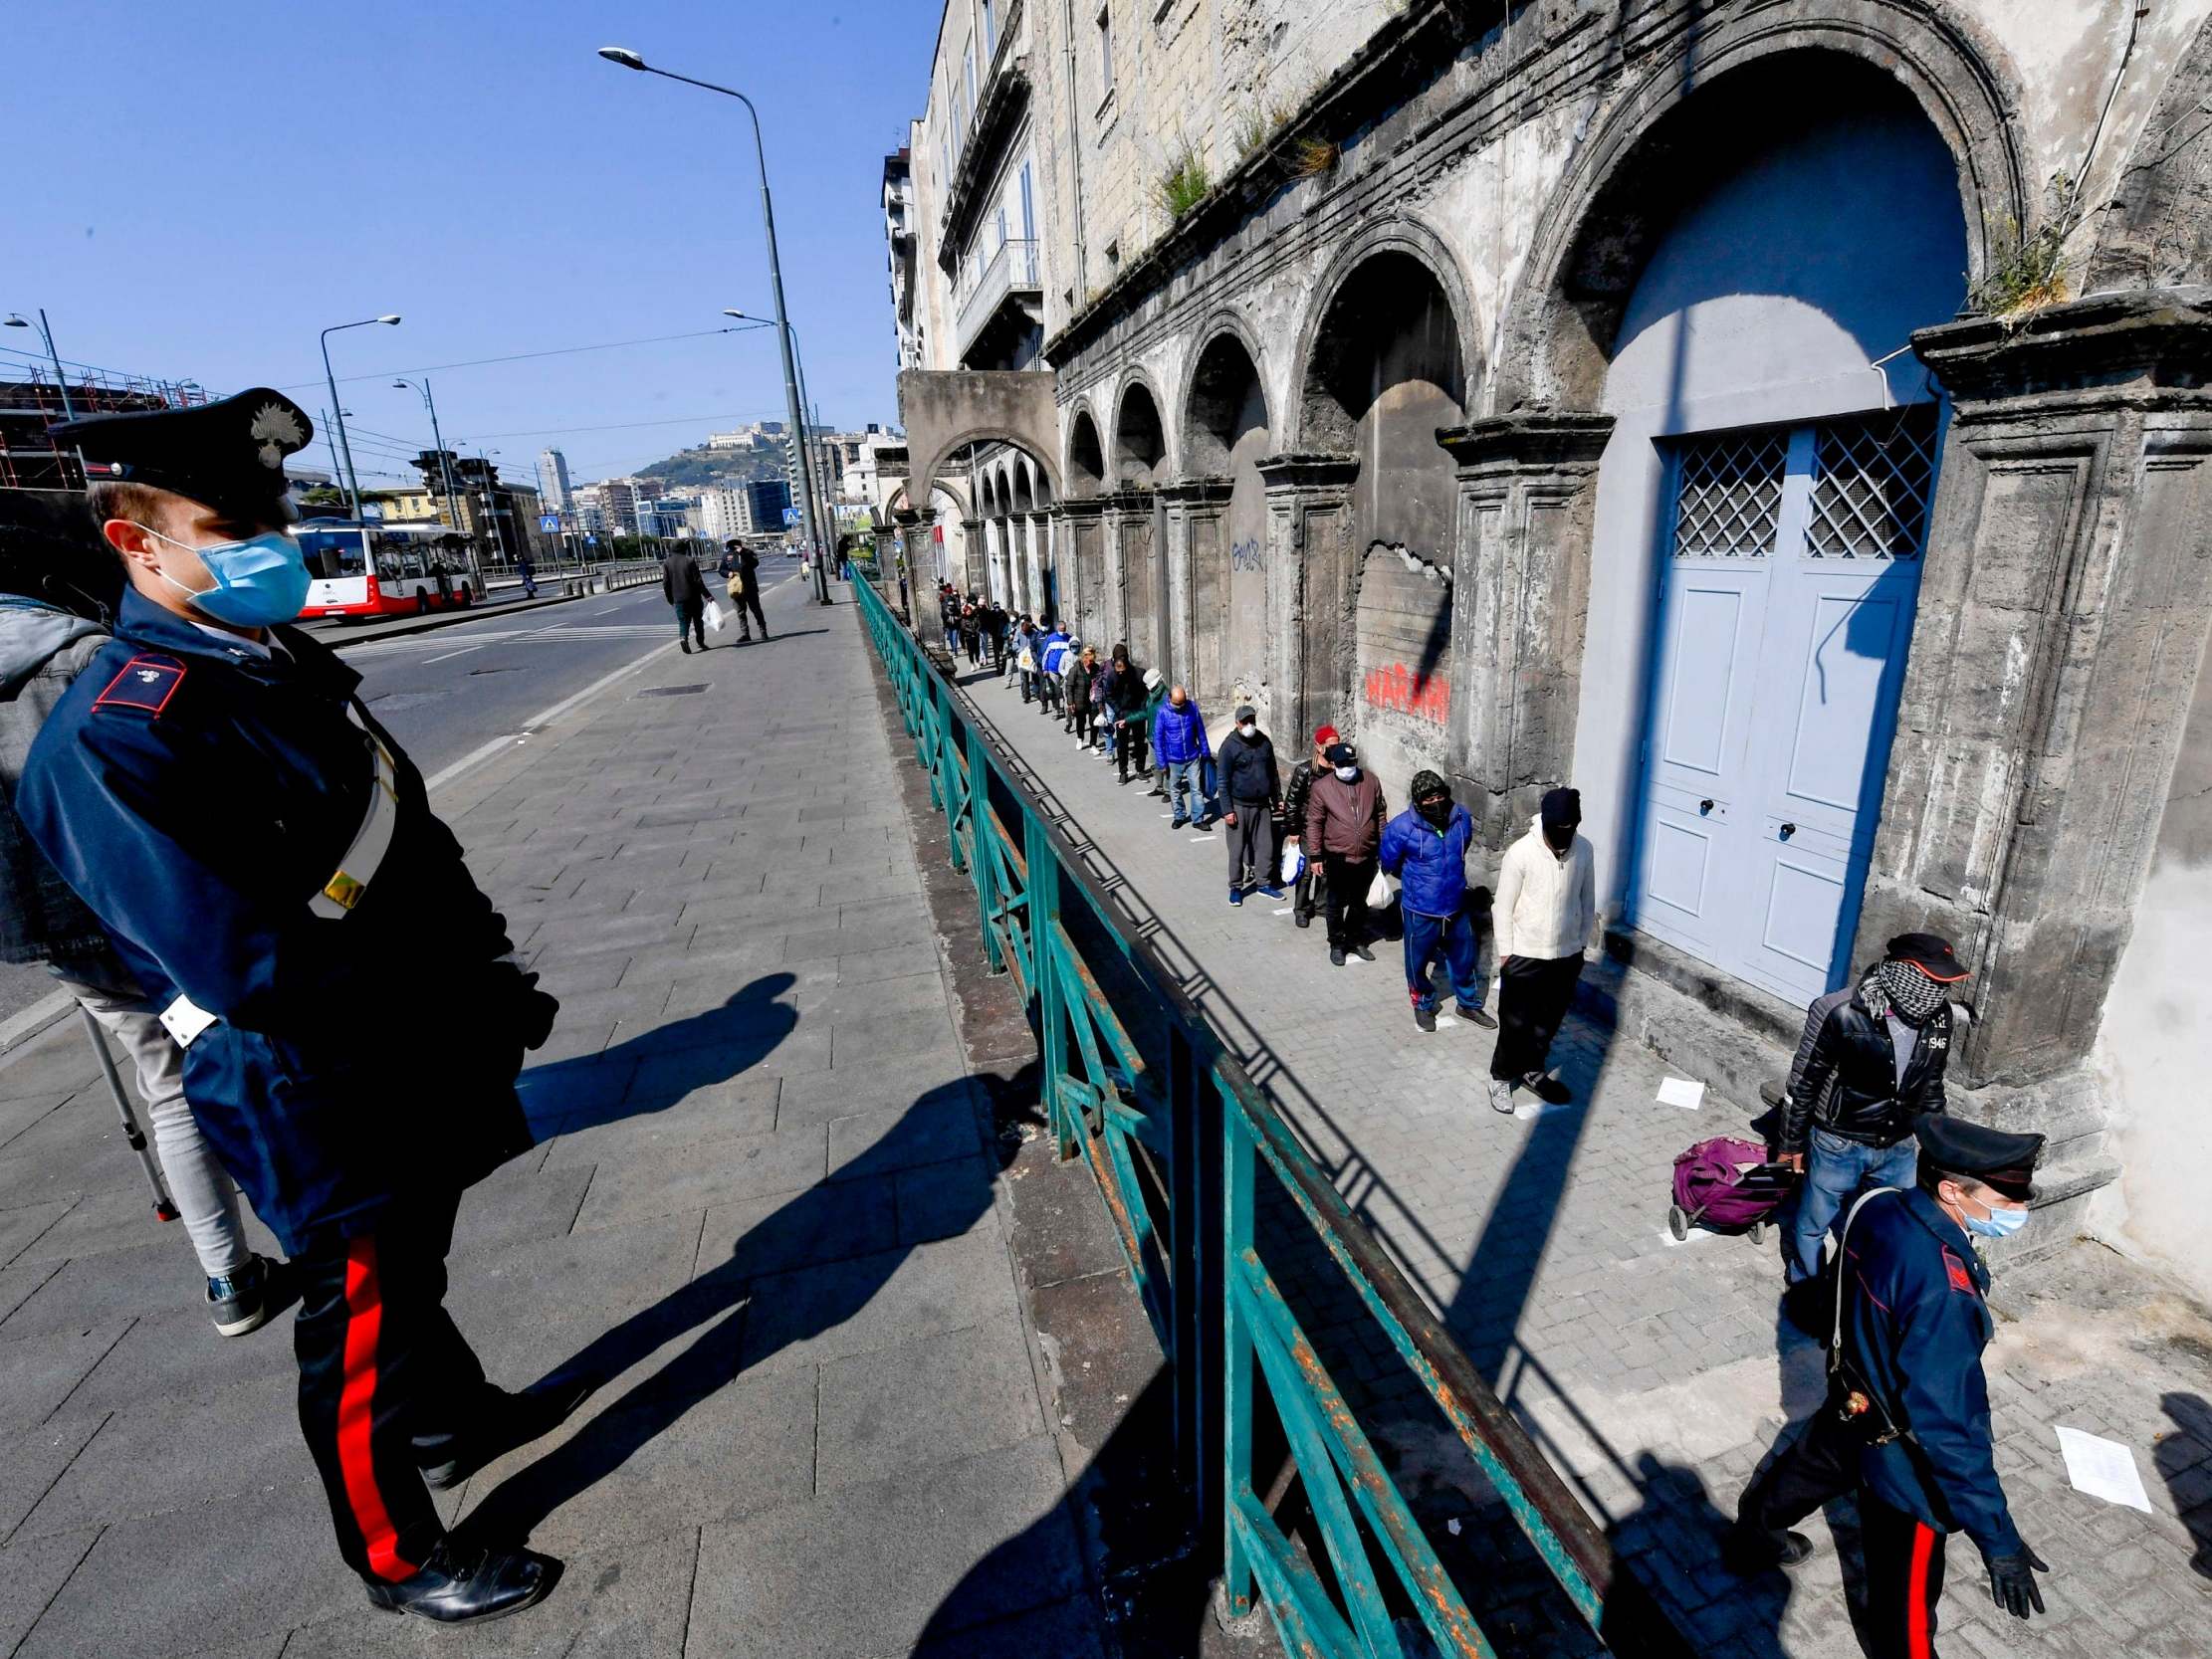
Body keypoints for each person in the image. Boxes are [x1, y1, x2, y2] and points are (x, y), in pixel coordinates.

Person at [18, 390, 568, 1624]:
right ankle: (397, 1554)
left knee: (409, 1251)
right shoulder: (119, 731)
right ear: (137, 542)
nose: (266, 544)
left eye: (269, 515)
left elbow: (401, 828)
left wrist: (482, 966)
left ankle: (450, 1416)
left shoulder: (267, 658)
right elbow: (244, 962)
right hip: (305, 1066)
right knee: (359, 1296)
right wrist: (437, 1006)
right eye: (229, 521)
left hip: (393, 1030)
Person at [0, 494, 281, 1336]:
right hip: (136, 910)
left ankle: (228, 1274)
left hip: (43, 929)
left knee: (161, 1080)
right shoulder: (86, 656)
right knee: (206, 1068)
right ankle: (257, 1248)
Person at [1725, 1117, 2050, 1658]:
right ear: (1952, 1191)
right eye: (2007, 1198)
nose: (2018, 1209)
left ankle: (1752, 1537)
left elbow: (1834, 1289)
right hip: (1902, 1452)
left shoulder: (1878, 1206)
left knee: (1809, 1467)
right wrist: (1999, 1539)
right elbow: (1951, 1430)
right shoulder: (1945, 1292)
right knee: (1905, 1589)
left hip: (1853, 1390)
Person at [1777, 933, 1963, 1289]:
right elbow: (1805, 1082)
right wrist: (1791, 1143)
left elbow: (1933, 1082)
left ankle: (1863, 1289)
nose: (1939, 990)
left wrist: (1944, 1146)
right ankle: (1806, 1289)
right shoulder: (1841, 1010)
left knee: (1896, 1224)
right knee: (1814, 1224)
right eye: (1934, 979)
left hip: (1898, 1146)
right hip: (1839, 1143)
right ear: (1906, 970)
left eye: (1945, 983)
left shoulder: (1938, 1016)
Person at [1486, 785, 1595, 1114]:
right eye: (1558, 829)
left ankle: (1533, 1069)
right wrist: (1507, 954)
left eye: (1570, 829)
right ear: (1546, 822)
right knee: (1515, 1022)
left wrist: (1581, 943)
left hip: (1566, 955)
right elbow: (1502, 908)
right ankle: (1501, 1078)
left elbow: (1587, 900)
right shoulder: (1521, 853)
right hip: (1524, 954)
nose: (1565, 836)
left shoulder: (1585, 850)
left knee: (1548, 1020)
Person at [1380, 770, 1494, 1034]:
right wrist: (1417, 882)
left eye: (1440, 795)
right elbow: (1389, 863)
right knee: (1417, 963)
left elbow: (1462, 848)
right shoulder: (1401, 828)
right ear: (1419, 802)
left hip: (1456, 904)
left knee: (1464, 959)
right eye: (1429, 799)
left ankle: (1467, 1004)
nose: (1436, 802)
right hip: (1420, 909)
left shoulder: (1461, 817)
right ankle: (1423, 1003)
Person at [1305, 740, 1386, 967]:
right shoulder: (1322, 788)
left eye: (1351, 763)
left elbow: (1380, 814)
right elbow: (1315, 823)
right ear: (1333, 765)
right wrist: (1315, 856)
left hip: (1367, 854)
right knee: (1335, 903)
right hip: (1337, 856)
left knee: (1361, 902)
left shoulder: (1370, 781)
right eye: (1342, 764)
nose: (1348, 767)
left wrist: (1385, 845)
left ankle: (1355, 939)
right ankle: (1337, 943)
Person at [1215, 706, 1282, 907]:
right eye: (1245, 721)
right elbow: (1222, 780)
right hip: (1238, 806)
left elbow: (1273, 773)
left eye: (1252, 720)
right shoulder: (1229, 747)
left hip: (1262, 806)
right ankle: (1236, 887)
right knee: (1236, 850)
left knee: (1265, 847)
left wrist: (1277, 798)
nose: (1249, 725)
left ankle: (1263, 883)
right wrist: (1227, 810)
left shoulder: (1264, 742)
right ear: (1237, 723)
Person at [1280, 726, 1334, 930]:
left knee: (1326, 871)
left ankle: (1320, 905)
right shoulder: (1305, 770)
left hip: (1330, 831)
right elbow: (1292, 801)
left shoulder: (1338, 770)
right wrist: (1293, 830)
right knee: (1306, 873)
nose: (1334, 750)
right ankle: (1301, 909)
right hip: (1307, 830)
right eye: (1331, 745)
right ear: (1318, 747)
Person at [1154, 686, 1213, 829]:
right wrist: (1162, 763)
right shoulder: (1162, 712)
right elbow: (1158, 739)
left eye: (1182, 703)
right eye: (1177, 703)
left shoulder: (1192, 708)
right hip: (1173, 759)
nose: (1180, 706)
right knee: (1174, 789)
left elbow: (1200, 731)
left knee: (1196, 789)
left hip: (1192, 756)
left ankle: (1198, 819)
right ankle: (1179, 816)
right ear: (1169, 699)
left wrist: (1205, 752)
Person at [717, 538, 769, 643]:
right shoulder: (727, 555)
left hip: (750, 587)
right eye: (731, 545)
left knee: (756, 610)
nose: (733, 547)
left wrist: (743, 553)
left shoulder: (747, 552)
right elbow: (721, 569)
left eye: (735, 545)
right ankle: (745, 634)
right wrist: (728, 573)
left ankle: (763, 631)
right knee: (740, 612)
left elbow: (755, 563)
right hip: (736, 589)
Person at [661, 544, 710, 653]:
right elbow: (698, 581)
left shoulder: (667, 563)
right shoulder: (689, 560)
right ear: (683, 549)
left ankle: (683, 638)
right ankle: (700, 642)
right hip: (694, 598)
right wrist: (707, 595)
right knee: (698, 621)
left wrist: (670, 599)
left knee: (683, 621)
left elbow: (665, 583)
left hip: (678, 599)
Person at [1065, 645, 1101, 748]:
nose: (1090, 663)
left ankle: (1093, 743)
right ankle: (1080, 738)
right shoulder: (1075, 669)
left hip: (1092, 700)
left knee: (1094, 722)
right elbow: (1069, 686)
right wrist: (1070, 702)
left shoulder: (1096, 668)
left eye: (1092, 661)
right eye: (1089, 661)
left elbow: (1099, 683)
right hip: (1079, 700)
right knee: (1081, 721)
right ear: (1084, 658)